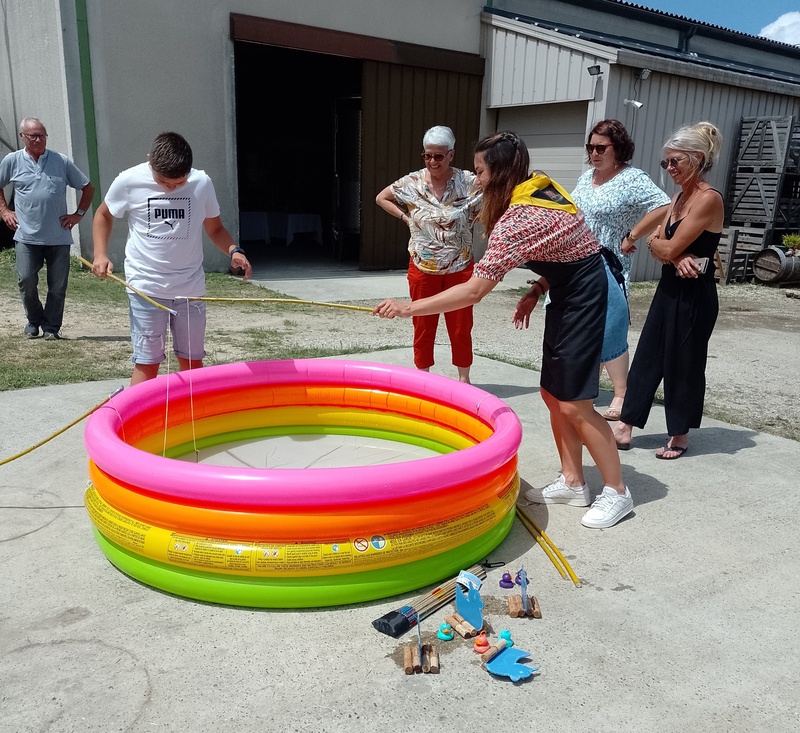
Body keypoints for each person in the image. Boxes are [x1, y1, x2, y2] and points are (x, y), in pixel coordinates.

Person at [374, 131, 633, 529]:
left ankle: (617, 492)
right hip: (565, 291)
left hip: (588, 298)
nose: (475, 180)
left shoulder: (520, 217)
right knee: (552, 394)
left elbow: (475, 289)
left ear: (500, 173)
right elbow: (571, 245)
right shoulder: (536, 186)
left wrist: (410, 308)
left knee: (575, 403)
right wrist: (539, 288)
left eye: (480, 172)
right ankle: (573, 481)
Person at [91, 131, 251, 385]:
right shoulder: (129, 181)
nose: (172, 188)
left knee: (192, 362)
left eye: (179, 183)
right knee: (148, 362)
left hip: (190, 290)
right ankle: (140, 422)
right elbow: (103, 215)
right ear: (150, 162)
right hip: (145, 287)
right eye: (165, 182)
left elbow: (215, 228)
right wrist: (101, 254)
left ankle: (191, 420)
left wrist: (234, 250)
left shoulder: (201, 183)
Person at [612, 122, 724, 459]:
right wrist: (673, 255)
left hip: (695, 294)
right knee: (648, 354)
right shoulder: (677, 198)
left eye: (676, 161)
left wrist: (671, 251)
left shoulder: (708, 199)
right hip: (671, 286)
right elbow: (658, 242)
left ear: (697, 158)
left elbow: (666, 245)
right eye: (667, 163)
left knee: (683, 362)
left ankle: (680, 433)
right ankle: (626, 424)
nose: (669, 168)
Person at [572, 119, 670, 420]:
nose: (594, 153)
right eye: (591, 147)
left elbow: (663, 205)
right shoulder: (587, 177)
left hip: (608, 265)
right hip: (577, 265)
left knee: (609, 331)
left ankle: (620, 393)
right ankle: (585, 390)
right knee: (582, 330)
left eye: (601, 147)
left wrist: (632, 235)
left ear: (619, 148)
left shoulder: (632, 178)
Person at [375, 125, 482, 384]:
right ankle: (424, 379)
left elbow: (495, 193)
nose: (433, 161)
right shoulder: (412, 182)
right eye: (427, 155)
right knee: (423, 325)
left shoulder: (468, 181)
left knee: (460, 327)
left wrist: (482, 216)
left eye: (439, 156)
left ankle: (463, 380)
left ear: (451, 155)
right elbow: (381, 198)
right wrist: (405, 217)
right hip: (423, 268)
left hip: (460, 267)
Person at [0, 117, 95, 340]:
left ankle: (51, 327)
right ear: (22, 137)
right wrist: (4, 211)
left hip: (58, 237)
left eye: (42, 135)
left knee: (58, 286)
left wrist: (78, 214)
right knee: (26, 280)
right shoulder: (12, 161)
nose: (39, 139)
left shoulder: (60, 161)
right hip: (26, 235)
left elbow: (87, 188)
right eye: (33, 135)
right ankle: (34, 321)